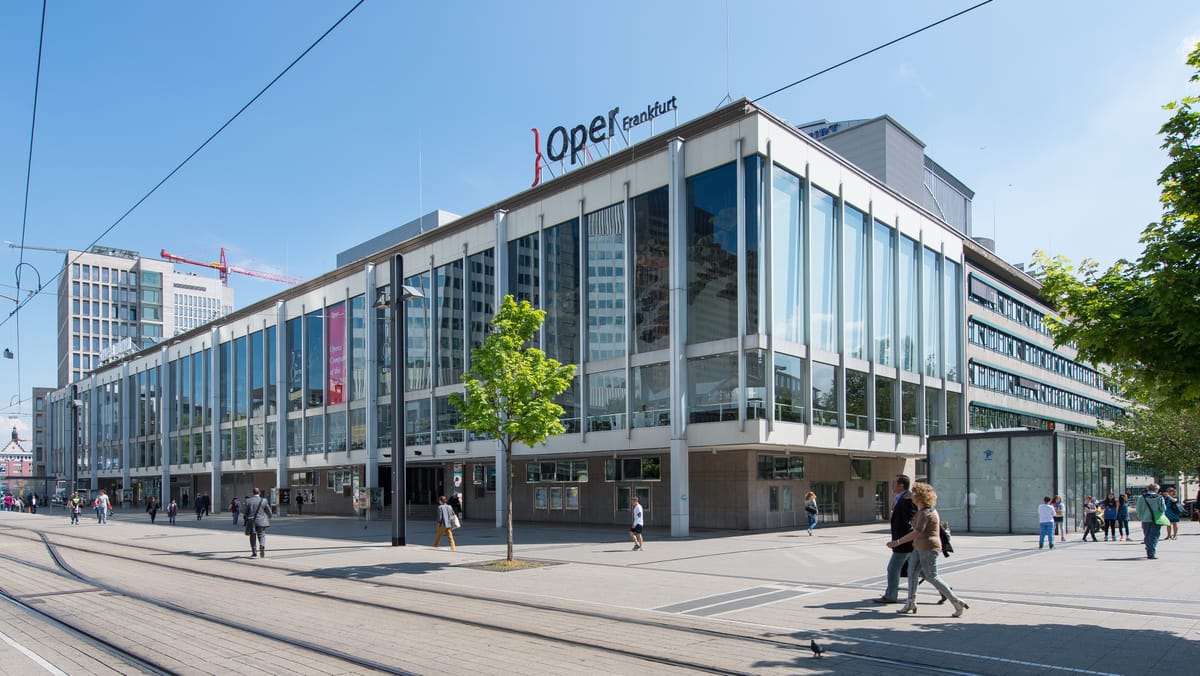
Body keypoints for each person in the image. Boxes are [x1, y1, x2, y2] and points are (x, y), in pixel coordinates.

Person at [888, 482, 968, 617]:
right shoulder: (922, 510)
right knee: (912, 573)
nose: (911, 496)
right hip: (918, 547)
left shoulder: (926, 512)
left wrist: (898, 542)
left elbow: (918, 532)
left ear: (920, 496)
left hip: (929, 548)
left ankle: (956, 601)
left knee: (932, 576)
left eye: (914, 494)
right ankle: (910, 602)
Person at [874, 475, 919, 604]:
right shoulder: (901, 498)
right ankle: (943, 591)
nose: (892, 485)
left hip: (904, 543)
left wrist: (900, 541)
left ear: (901, 485)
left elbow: (910, 522)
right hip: (905, 541)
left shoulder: (908, 499)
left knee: (893, 568)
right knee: (923, 571)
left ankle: (891, 595)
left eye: (894, 483)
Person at [1135, 483, 1167, 559]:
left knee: (1147, 535)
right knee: (1154, 535)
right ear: (1156, 489)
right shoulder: (1159, 497)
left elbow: (1138, 509)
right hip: (1156, 519)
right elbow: (1163, 509)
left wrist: (1140, 517)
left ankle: (1149, 548)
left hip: (1145, 519)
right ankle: (1151, 552)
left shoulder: (1141, 497)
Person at [240, 487, 272, 558]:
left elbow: (244, 512)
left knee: (253, 536)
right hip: (261, 521)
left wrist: (246, 518)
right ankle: (262, 545)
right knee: (262, 535)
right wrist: (269, 516)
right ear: (259, 493)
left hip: (251, 521)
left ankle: (254, 552)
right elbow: (268, 511)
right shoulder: (264, 500)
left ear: (253, 493)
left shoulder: (248, 501)